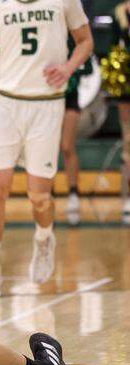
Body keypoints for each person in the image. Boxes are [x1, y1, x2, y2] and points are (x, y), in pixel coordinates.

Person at [0, 0, 93, 297]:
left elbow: (85, 41)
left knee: (39, 195)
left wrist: (69, 67)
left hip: (46, 104)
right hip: (4, 101)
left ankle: (45, 238)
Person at [61, 40, 92, 226]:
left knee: (67, 146)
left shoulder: (75, 40)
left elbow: (87, 67)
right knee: (46, 148)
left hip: (70, 97)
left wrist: (70, 71)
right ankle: (47, 193)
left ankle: (73, 192)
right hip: (47, 98)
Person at [111, 1, 130, 217]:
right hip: (126, 83)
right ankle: (127, 198)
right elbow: (115, 49)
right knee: (128, 141)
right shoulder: (119, 14)